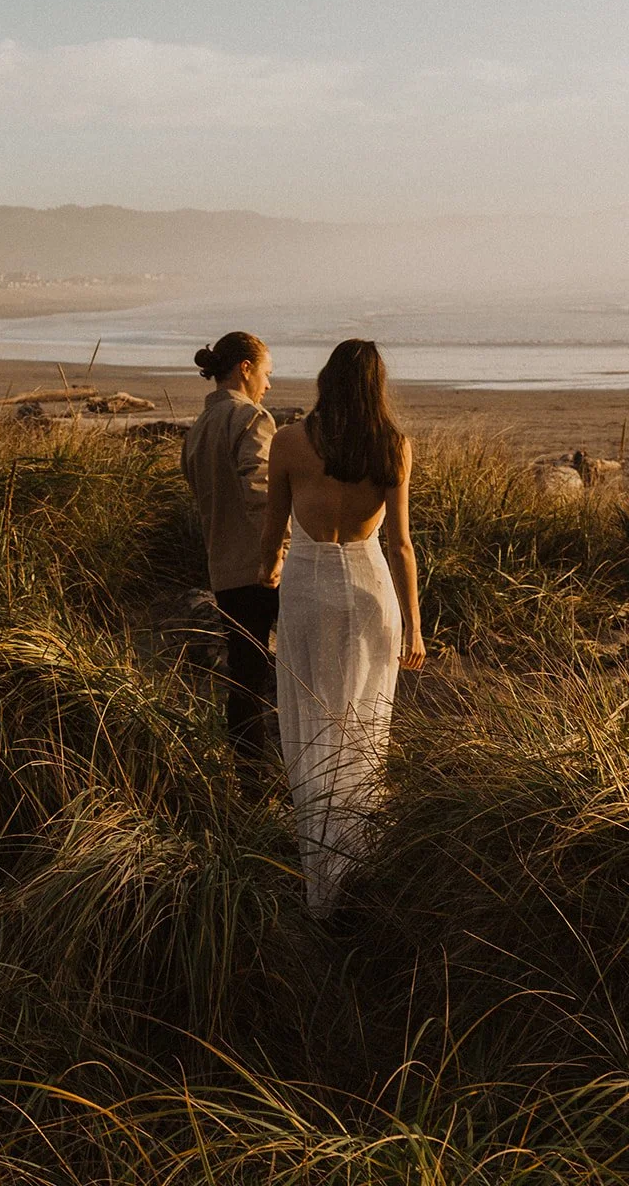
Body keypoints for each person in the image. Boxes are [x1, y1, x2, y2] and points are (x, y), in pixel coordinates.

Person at [260, 338, 425, 914]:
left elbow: (271, 532)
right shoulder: (393, 446)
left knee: (310, 721)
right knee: (362, 725)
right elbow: (402, 546)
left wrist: (264, 569)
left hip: (307, 588)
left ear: (327, 380)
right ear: (377, 386)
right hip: (369, 589)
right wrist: (416, 626)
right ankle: (355, 860)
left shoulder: (288, 442)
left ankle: (319, 876)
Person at [180, 330, 279, 777]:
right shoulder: (252, 418)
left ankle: (247, 776)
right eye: (266, 373)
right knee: (278, 676)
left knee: (244, 676)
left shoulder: (198, 428)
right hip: (261, 568)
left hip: (222, 565)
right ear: (245, 368)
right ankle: (270, 776)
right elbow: (261, 491)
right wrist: (275, 553)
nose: (268, 385)